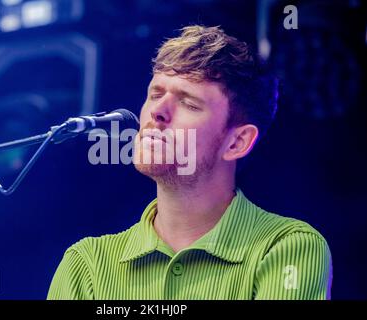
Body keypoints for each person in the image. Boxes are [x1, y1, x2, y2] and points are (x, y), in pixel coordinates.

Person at [47, 25, 332, 300]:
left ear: (237, 142)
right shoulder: (84, 265)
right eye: (156, 94)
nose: (157, 112)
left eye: (189, 103)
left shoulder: (288, 248)